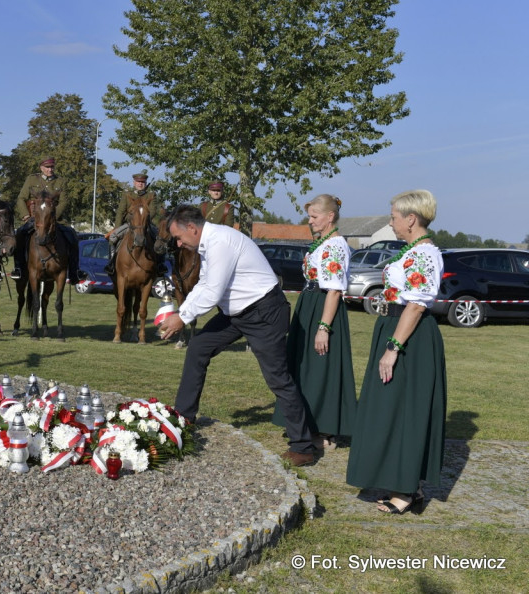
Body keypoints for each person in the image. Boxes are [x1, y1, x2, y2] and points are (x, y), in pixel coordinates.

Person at [157, 204, 319, 467]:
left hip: (264, 312)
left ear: (192, 228)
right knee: (199, 346)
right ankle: (184, 417)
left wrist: (182, 318)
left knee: (278, 379)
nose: (178, 243)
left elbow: (213, 292)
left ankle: (303, 447)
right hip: (237, 313)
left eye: (178, 237)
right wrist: (182, 312)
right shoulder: (208, 244)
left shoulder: (221, 242)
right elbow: (205, 285)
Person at [346, 190, 446, 515]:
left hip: (409, 339)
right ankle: (398, 480)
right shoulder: (412, 250)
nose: (391, 222)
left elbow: (416, 305)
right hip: (393, 329)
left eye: (393, 217)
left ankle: (407, 491)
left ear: (411, 219)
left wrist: (393, 348)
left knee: (406, 411)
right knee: (390, 409)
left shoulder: (425, 254)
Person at [271, 194, 356, 450]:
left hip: (322, 308)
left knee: (320, 368)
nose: (310, 221)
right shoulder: (322, 243)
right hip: (310, 304)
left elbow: (334, 291)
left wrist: (324, 327)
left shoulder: (335, 246)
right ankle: (304, 423)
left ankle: (324, 430)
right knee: (305, 366)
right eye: (309, 216)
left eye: (314, 216)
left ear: (330, 217)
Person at [10, 157, 84, 284]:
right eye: (47, 167)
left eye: (52, 167)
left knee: (72, 236)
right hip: (34, 219)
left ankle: (74, 271)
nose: (50, 169)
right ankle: (19, 268)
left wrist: (53, 217)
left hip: (55, 220)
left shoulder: (60, 181)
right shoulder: (31, 179)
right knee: (20, 235)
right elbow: (21, 198)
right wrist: (26, 216)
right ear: (41, 168)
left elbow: (64, 201)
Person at [103, 171, 165, 277]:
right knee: (113, 237)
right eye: (138, 182)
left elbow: (153, 211)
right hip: (129, 224)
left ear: (145, 183)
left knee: (160, 239)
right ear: (134, 183)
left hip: (146, 225)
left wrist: (144, 220)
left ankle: (160, 265)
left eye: (142, 182)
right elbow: (121, 212)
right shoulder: (127, 195)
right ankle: (112, 263)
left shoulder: (151, 195)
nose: (140, 184)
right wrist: (117, 227)